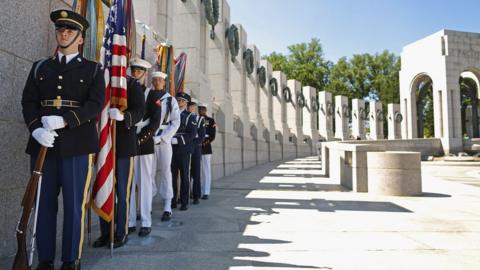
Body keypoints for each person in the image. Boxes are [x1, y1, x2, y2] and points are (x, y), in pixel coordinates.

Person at [21, 9, 104, 270]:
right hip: (43, 145)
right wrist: (35, 129)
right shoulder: (40, 68)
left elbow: (95, 104)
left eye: (70, 30)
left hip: (77, 145)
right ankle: (45, 259)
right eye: (60, 29)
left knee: (73, 205)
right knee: (43, 204)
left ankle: (71, 259)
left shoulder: (92, 70)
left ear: (80, 38)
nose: (64, 33)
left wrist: (67, 119)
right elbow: (28, 102)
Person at [92, 74, 145, 249]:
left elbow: (140, 110)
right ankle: (106, 234)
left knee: (122, 192)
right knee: (104, 187)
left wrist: (125, 116)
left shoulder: (131, 84)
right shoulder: (102, 78)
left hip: (124, 146)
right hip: (104, 144)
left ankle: (121, 233)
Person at [128, 63, 162, 237]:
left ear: (145, 74)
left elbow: (155, 122)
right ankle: (131, 220)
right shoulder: (126, 89)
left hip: (144, 143)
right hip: (127, 142)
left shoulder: (152, 94)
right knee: (129, 184)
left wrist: (141, 139)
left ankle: (146, 221)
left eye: (139, 71)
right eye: (133, 70)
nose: (136, 73)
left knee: (144, 184)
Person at [150, 72, 180, 221]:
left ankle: (167, 205)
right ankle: (147, 203)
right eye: (154, 80)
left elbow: (175, 122)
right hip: (148, 138)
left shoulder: (170, 100)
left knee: (166, 171)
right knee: (149, 172)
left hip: (163, 140)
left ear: (164, 82)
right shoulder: (147, 96)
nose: (157, 82)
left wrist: (162, 137)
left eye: (160, 80)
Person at [171, 92, 198, 211]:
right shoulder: (171, 114)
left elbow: (192, 134)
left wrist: (178, 140)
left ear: (186, 103)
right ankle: (172, 200)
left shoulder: (190, 116)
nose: (179, 103)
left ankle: (184, 201)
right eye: (178, 100)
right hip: (171, 148)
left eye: (182, 101)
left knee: (184, 176)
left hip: (183, 149)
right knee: (171, 176)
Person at [187, 99, 205, 204]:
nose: (191, 108)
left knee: (196, 171)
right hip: (185, 147)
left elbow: (201, 136)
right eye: (189, 106)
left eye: (193, 106)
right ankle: (186, 193)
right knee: (185, 173)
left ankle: (196, 195)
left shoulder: (199, 119)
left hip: (195, 147)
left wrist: (192, 143)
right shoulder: (183, 117)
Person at [198, 103, 216, 200]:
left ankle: (206, 191)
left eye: (203, 109)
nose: (201, 111)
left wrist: (204, 143)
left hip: (206, 147)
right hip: (196, 146)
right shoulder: (196, 119)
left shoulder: (211, 120)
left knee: (206, 170)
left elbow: (212, 135)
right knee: (197, 170)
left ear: (206, 110)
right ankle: (197, 190)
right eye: (199, 109)